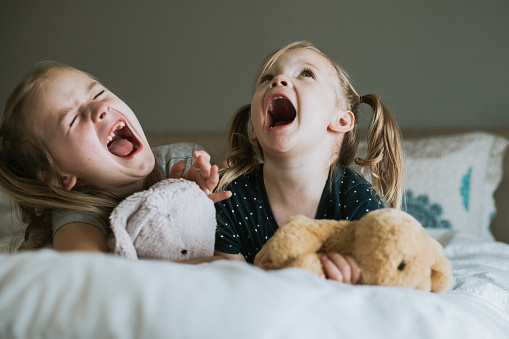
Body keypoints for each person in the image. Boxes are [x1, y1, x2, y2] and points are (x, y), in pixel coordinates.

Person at [214, 41, 403, 283]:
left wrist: (357, 280)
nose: (278, 79)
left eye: (306, 73)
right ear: (254, 130)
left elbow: (389, 275)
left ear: (341, 121)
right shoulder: (229, 196)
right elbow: (229, 285)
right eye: (266, 78)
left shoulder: (355, 197)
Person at [0, 62, 230, 258]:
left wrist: (191, 197)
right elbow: (96, 276)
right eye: (72, 119)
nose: (99, 108)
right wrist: (202, 267)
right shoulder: (79, 214)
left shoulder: (182, 160)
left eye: (98, 94)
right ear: (60, 177)